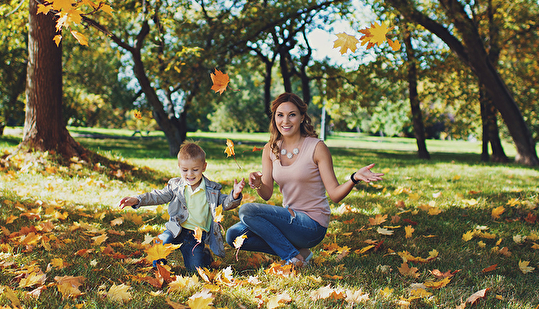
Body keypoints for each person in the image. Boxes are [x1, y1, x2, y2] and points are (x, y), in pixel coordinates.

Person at [225, 93, 383, 267]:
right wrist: (258, 184)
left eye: (292, 115)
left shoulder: (317, 147)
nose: (285, 121)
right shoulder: (270, 149)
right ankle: (299, 253)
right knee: (233, 235)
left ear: (301, 118)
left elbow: (335, 194)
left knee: (247, 210)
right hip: (289, 220)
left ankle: (292, 258)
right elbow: (267, 194)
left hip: (312, 225)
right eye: (280, 115)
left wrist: (354, 178)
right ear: (274, 118)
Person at [119, 142, 244, 272]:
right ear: (179, 167)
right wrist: (137, 200)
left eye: (195, 169)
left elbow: (226, 203)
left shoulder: (212, 190)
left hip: (196, 236)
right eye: (185, 170)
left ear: (204, 167)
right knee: (161, 241)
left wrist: (234, 195)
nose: (190, 174)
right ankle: (159, 267)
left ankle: (205, 256)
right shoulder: (176, 186)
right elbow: (158, 196)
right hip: (176, 228)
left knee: (195, 269)